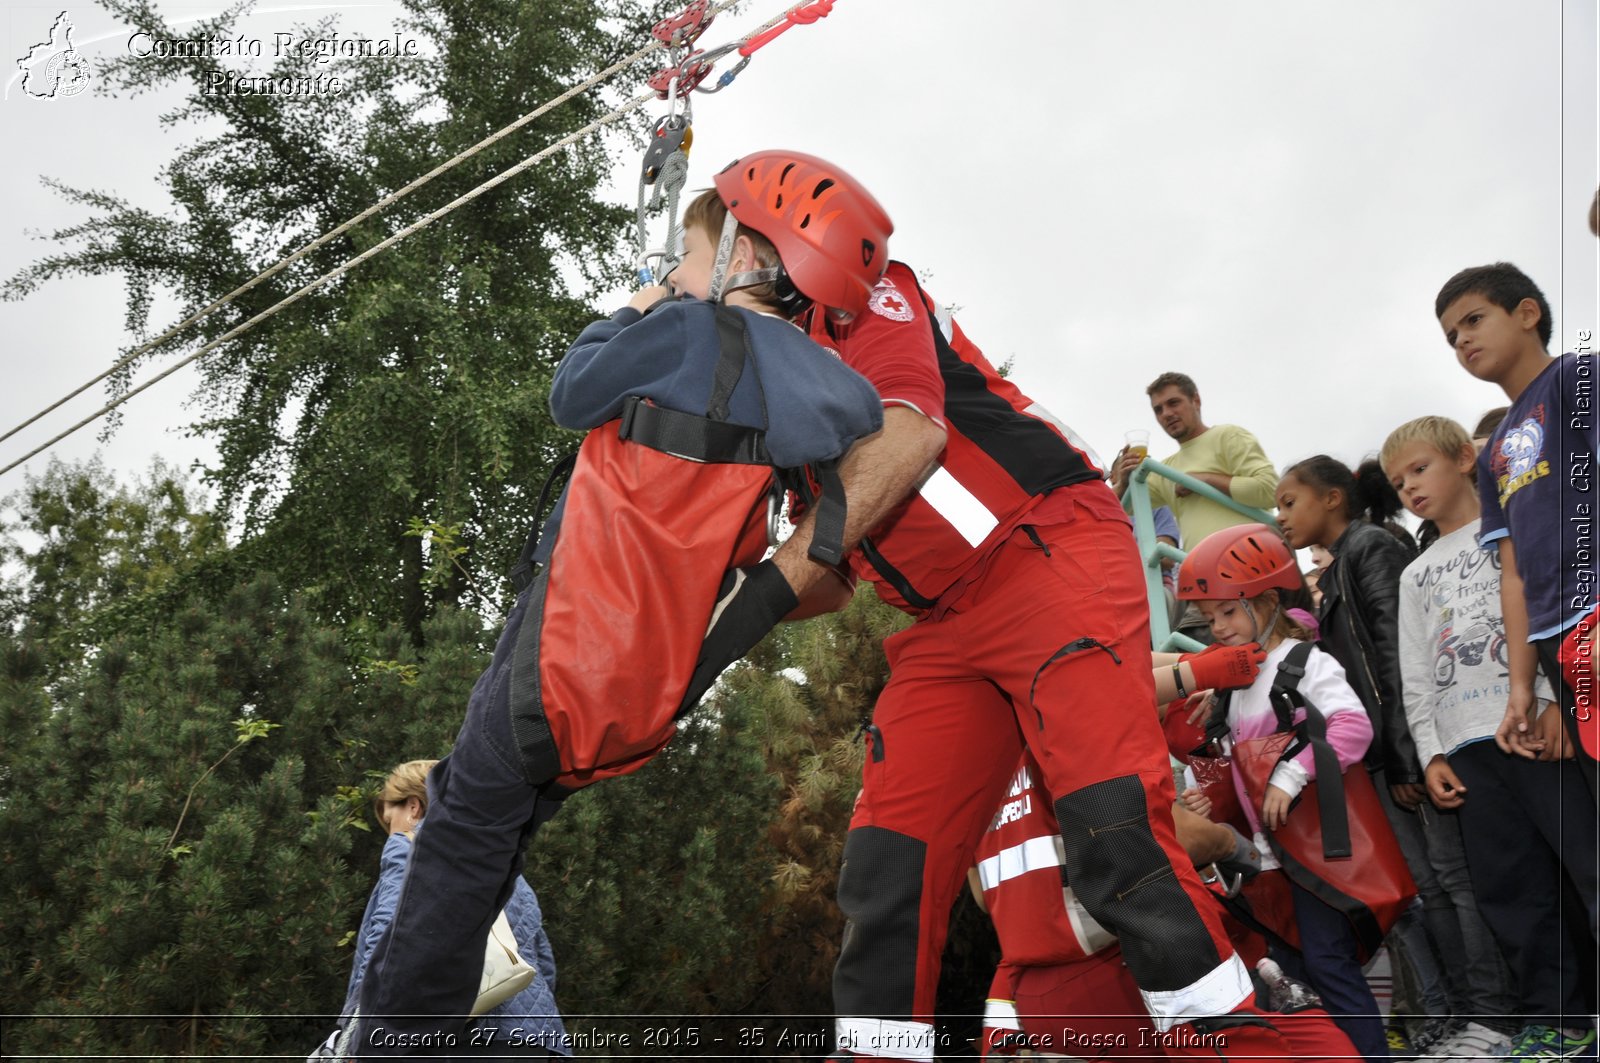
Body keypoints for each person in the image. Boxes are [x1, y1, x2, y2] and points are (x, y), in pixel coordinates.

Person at [742, 152, 1298, 1061]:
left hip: (1045, 546)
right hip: (943, 623)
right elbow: (832, 573)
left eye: (690, 267)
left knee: (1114, 831)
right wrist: (709, 607)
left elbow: (911, 433)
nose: (676, 291)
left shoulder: (868, 295)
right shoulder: (777, 421)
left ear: (746, 250)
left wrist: (745, 601)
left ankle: (1245, 1048)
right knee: (891, 862)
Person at [350, 169, 888, 1053]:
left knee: (452, 840)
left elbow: (572, 393)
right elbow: (855, 413)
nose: (676, 270)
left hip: (556, 658)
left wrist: (633, 310)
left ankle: (390, 1040)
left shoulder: (677, 328)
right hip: (638, 694)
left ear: (745, 256)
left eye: (689, 254)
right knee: (490, 839)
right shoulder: (829, 389)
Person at [1384, 415, 1599, 1059]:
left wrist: (1559, 701)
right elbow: (1415, 675)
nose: (1409, 488)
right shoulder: (1413, 573)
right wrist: (1432, 754)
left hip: (1540, 728)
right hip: (1469, 746)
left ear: (1463, 458)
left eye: (1420, 468)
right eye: (1398, 482)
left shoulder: (1520, 529)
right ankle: (1559, 1021)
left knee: (1587, 868)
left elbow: (1559, 617)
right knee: (1512, 889)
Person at [1275, 454, 1491, 1047]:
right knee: (1428, 888)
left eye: (1289, 502)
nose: (1281, 517)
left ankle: (1489, 1015)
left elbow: (1399, 658)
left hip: (1411, 748)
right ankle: (1454, 1018)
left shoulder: (1370, 547)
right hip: (1385, 755)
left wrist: (1405, 755)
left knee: (1453, 880)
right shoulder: (1343, 564)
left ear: (1332, 499)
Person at [1168, 524, 1389, 1062]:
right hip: (1269, 859)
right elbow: (1233, 766)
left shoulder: (1304, 661)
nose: (1217, 627)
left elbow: (1353, 727)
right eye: (1210, 617)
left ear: (1266, 601)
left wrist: (1292, 774)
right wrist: (1200, 797)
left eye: (1229, 612)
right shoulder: (1233, 683)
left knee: (1328, 965)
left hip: (1316, 852)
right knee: (1299, 971)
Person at [1437, 262, 1599, 791]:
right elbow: (1513, 575)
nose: (1462, 340)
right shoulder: (1494, 453)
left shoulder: (1579, 376)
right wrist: (1523, 687)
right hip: (1557, 639)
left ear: (1527, 313)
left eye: (1474, 320)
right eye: (1451, 337)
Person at [321, 760, 569, 1058]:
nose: (390, 832)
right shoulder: (503, 864)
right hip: (540, 1040)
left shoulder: (410, 848)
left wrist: (354, 1031)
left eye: (390, 820)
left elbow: (388, 941)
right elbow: (542, 960)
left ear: (413, 807)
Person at [1110, 372, 1278, 644]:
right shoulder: (1164, 469)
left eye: (1174, 403)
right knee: (1197, 664)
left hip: (1252, 569)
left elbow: (1269, 490)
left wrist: (1205, 480)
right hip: (1205, 584)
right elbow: (1116, 512)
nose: (1167, 413)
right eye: (1158, 409)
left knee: (1269, 658)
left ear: (1196, 400)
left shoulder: (1227, 436)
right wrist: (1123, 482)